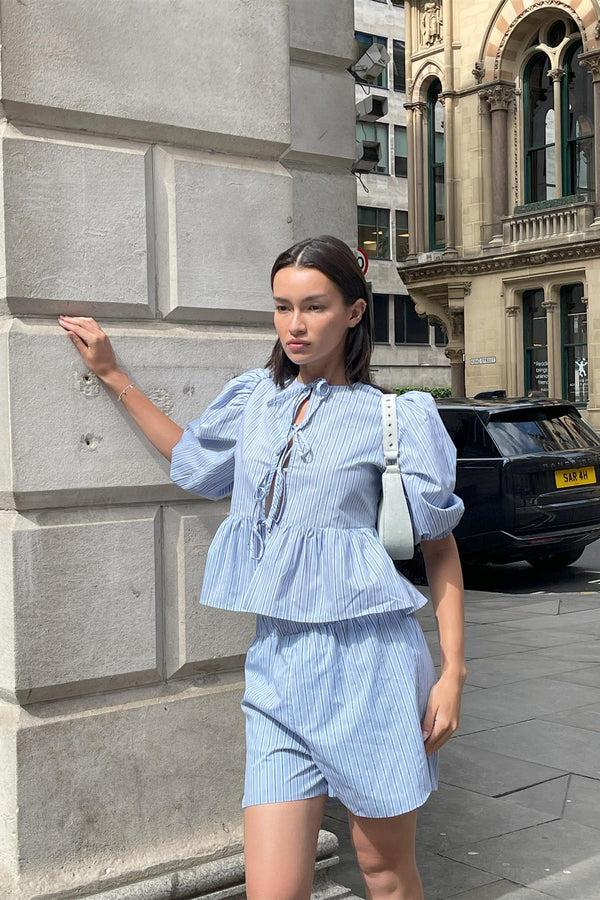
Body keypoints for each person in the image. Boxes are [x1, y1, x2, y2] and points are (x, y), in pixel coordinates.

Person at [57, 234, 466, 900]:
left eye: (314, 307)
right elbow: (195, 462)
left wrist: (453, 672)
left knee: (385, 873)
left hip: (373, 668)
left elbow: (441, 547)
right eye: (282, 308)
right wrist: (113, 375)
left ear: (355, 313)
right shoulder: (253, 399)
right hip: (276, 666)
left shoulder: (396, 417)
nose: (295, 325)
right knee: (271, 892)